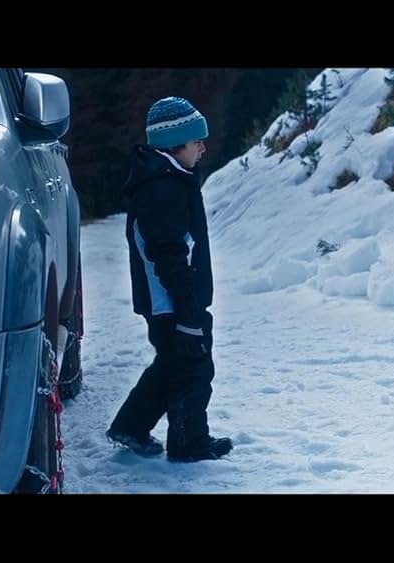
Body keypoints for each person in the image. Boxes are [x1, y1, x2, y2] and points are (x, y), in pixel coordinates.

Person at [107, 96, 233, 462]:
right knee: (194, 370)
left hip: (172, 301)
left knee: (171, 365)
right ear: (175, 144)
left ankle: (130, 426)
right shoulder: (162, 188)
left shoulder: (167, 179)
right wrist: (188, 313)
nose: (203, 148)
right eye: (197, 142)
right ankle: (188, 444)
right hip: (173, 302)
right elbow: (170, 256)